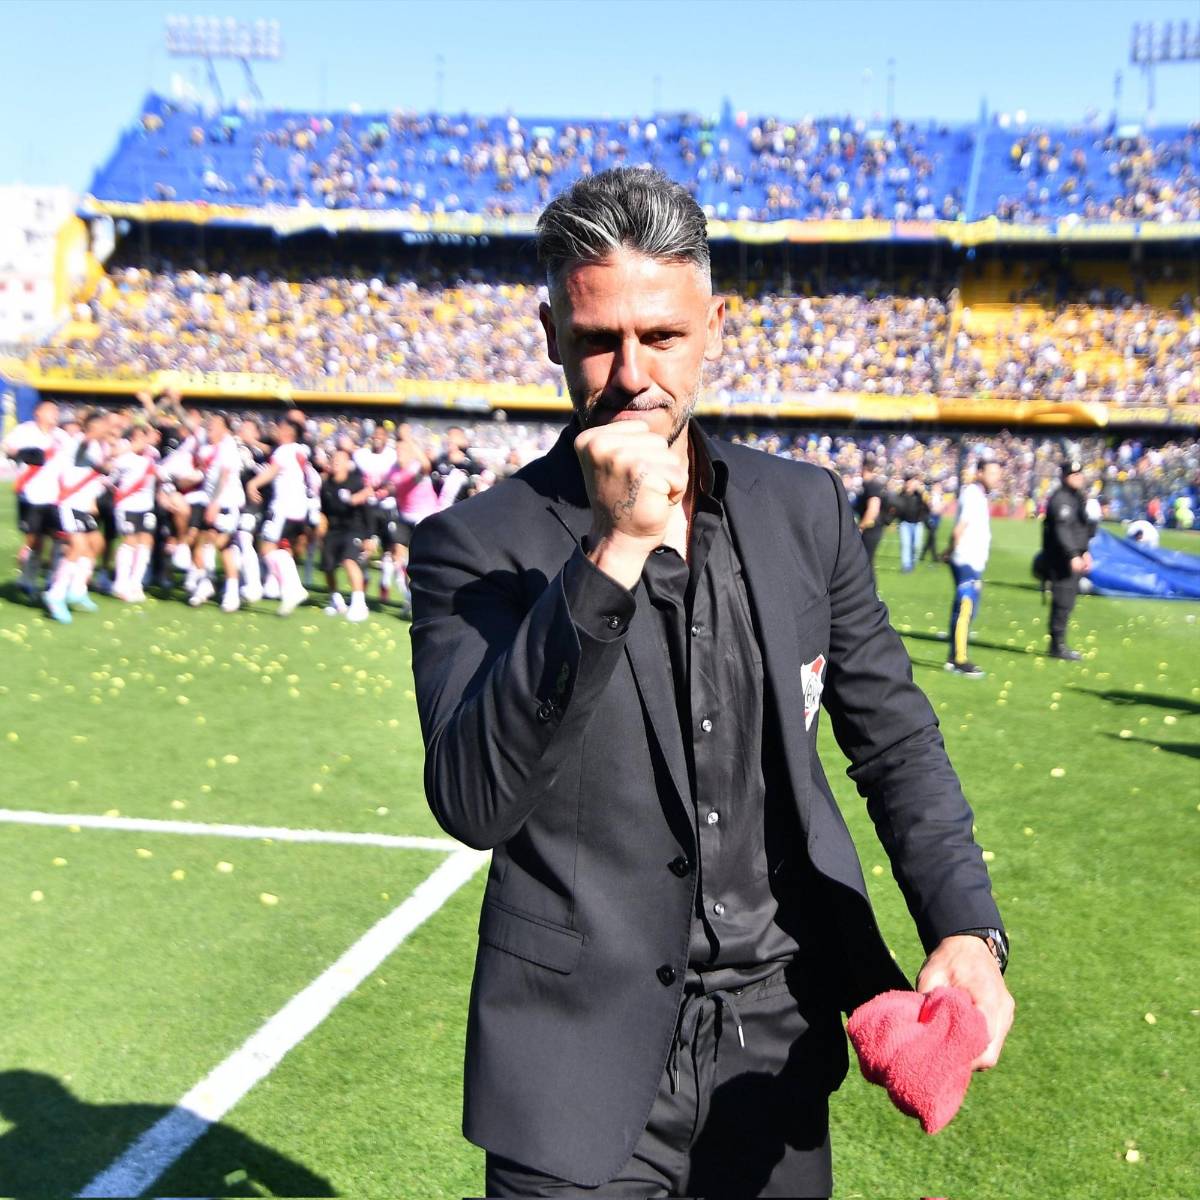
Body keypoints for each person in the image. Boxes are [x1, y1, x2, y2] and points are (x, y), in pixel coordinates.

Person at [409, 167, 1012, 1198]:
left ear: (715, 324)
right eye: (600, 340)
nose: (632, 372)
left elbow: (894, 739)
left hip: (775, 1054)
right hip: (573, 1062)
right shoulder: (473, 547)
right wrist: (611, 553)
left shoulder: (804, 512)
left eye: (663, 336)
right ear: (552, 330)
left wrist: (967, 929)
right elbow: (474, 800)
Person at [942, 456, 1001, 678]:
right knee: (966, 608)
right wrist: (950, 550)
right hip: (966, 560)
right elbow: (960, 528)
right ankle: (959, 659)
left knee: (964, 608)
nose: (996, 478)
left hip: (972, 560)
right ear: (980, 473)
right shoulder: (973, 496)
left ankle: (953, 656)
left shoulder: (978, 496)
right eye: (992, 472)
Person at [3, 398, 69, 597]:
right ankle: (27, 580)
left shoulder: (61, 436)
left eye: (56, 411)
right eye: (50, 411)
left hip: (56, 497)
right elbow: (7, 447)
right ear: (38, 413)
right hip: (30, 495)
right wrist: (20, 453)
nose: (55, 415)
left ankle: (53, 580)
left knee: (60, 539)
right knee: (36, 541)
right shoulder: (25, 431)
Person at [1040, 459, 1091, 661]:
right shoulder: (1061, 499)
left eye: (1080, 474)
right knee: (1062, 600)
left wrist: (1085, 551)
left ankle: (1059, 643)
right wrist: (1073, 554)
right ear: (1064, 477)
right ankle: (1057, 645)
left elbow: (1080, 529)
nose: (1079, 478)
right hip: (1062, 559)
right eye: (1074, 475)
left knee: (1067, 601)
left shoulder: (1076, 498)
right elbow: (1063, 531)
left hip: (1073, 556)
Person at [319, 447, 371, 622]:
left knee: (349, 560)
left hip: (354, 529)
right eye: (333, 460)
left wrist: (369, 536)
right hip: (334, 530)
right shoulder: (326, 485)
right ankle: (335, 599)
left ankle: (359, 603)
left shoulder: (356, 482)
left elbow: (367, 510)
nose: (335, 463)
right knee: (327, 566)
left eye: (339, 460)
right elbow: (323, 511)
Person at [854, 457, 885, 574]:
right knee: (863, 561)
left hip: (871, 528)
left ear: (865, 468)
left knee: (866, 562)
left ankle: (871, 591)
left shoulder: (872, 485)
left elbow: (873, 509)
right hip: (870, 528)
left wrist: (861, 527)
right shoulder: (868, 484)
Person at [896, 473, 930, 572]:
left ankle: (913, 562)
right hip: (904, 523)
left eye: (912, 482)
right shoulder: (901, 494)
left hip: (917, 523)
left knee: (916, 545)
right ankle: (906, 566)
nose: (910, 484)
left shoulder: (919, 495)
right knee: (905, 544)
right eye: (909, 482)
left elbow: (927, 506)